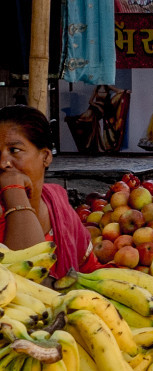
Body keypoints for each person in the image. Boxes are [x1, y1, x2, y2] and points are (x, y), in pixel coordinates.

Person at [0, 107, 95, 273]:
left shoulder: (58, 204)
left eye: (14, 150)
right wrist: (14, 191)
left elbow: (88, 270)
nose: (3, 163)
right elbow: (27, 276)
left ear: (45, 156)